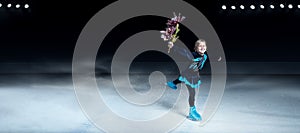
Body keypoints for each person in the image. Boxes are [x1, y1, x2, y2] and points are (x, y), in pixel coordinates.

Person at [167, 39, 207, 121]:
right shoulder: (193, 55)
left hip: (193, 75)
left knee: (181, 78)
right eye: (200, 46)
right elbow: (184, 52)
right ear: (196, 48)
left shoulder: (205, 56)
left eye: (204, 46)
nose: (202, 47)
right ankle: (192, 111)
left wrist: (218, 57)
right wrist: (173, 46)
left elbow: (212, 56)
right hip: (189, 76)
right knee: (192, 93)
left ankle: (172, 83)